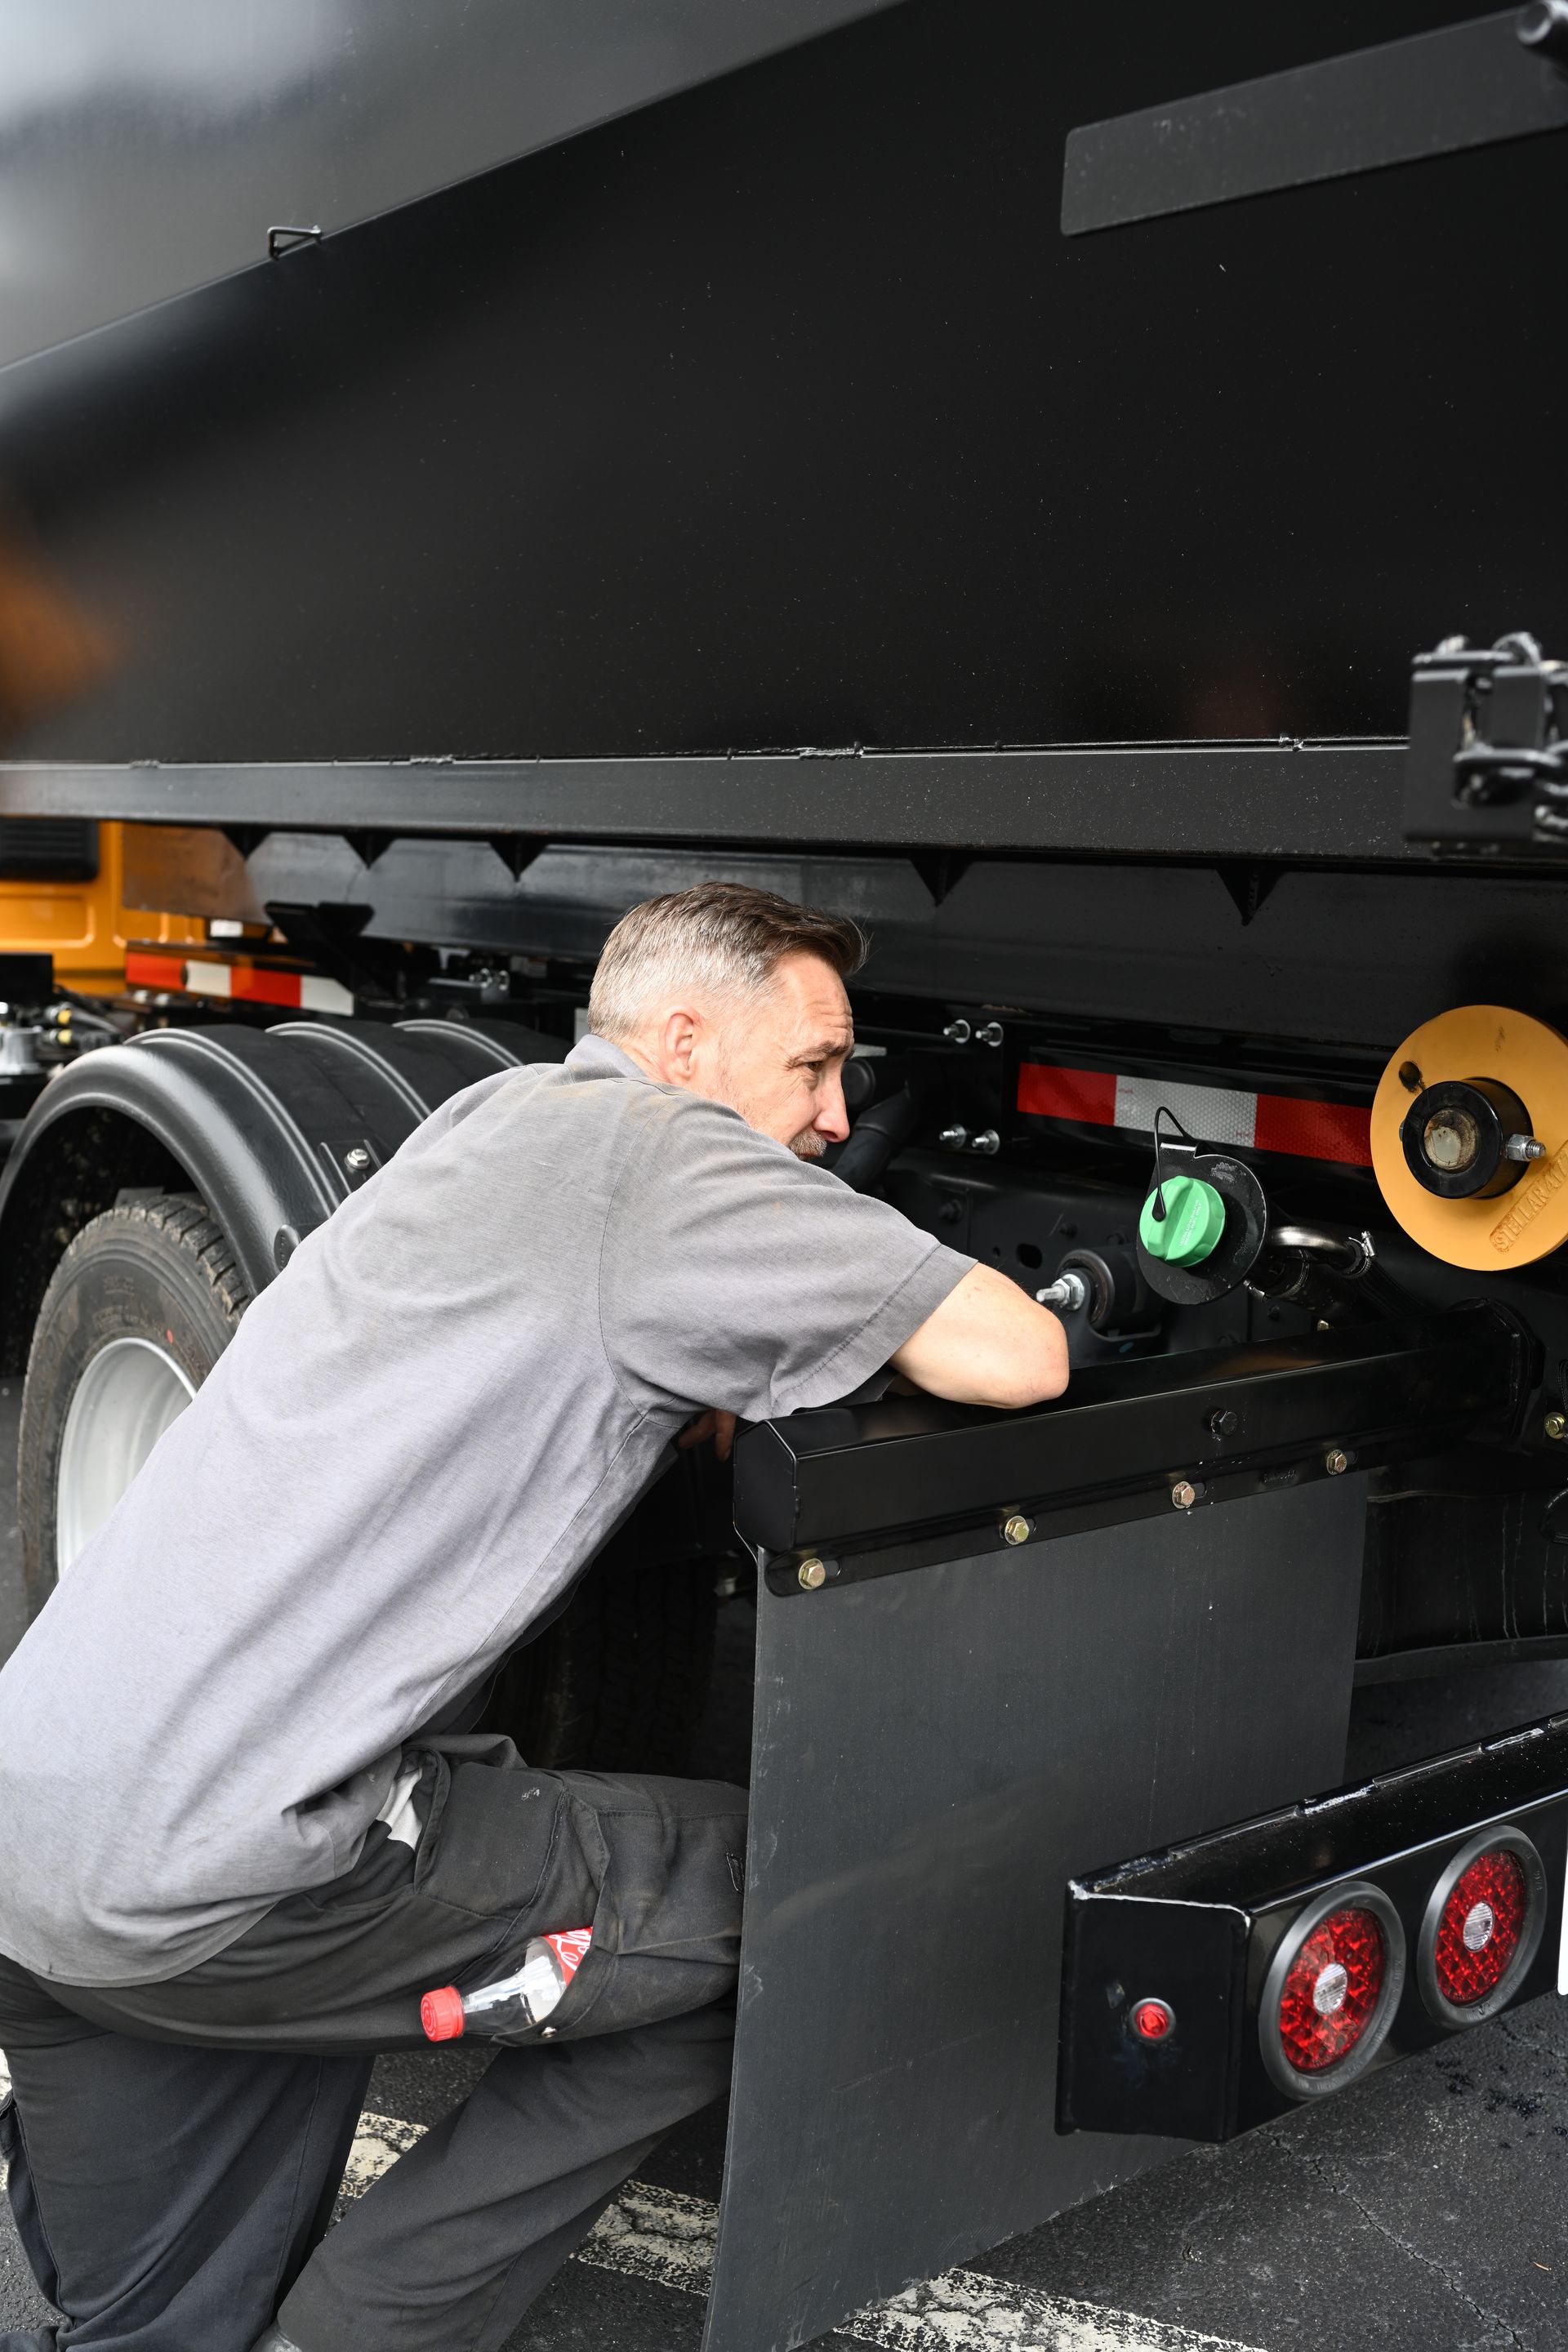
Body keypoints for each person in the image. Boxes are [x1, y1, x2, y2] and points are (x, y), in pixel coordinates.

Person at [0, 881, 1067, 2352]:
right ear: (685, 1044)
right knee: (796, 1898)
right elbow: (1022, 1357)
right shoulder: (670, 1154)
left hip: (37, 1850)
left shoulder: (491, 1118)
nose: (836, 1115)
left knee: (156, 2334)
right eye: (817, 1065)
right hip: (236, 1877)